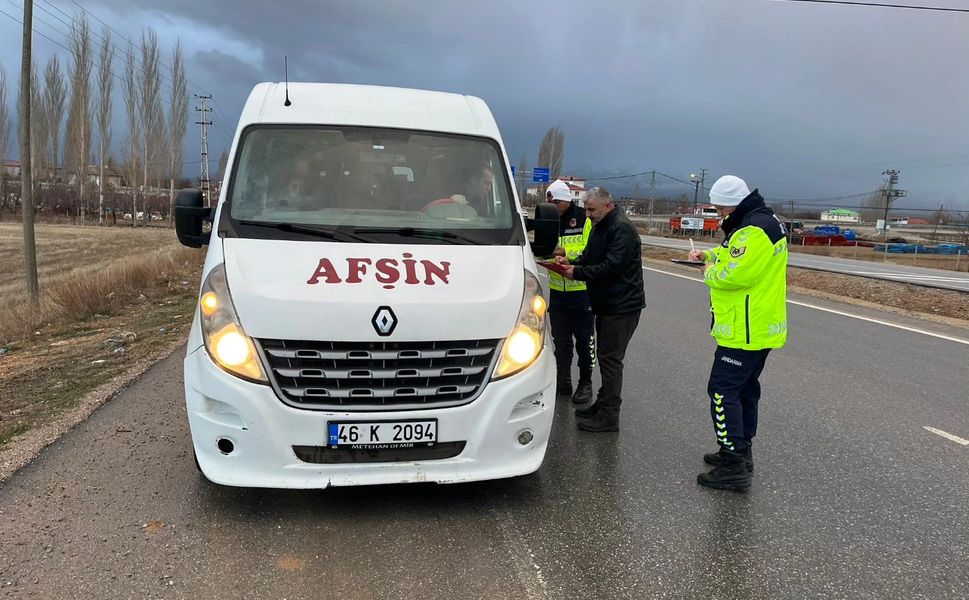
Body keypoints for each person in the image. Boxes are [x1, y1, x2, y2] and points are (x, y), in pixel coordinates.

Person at [687, 175, 788, 491]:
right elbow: (735, 256)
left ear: (731, 204)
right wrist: (710, 255)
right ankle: (740, 452)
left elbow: (735, 273)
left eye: (719, 209)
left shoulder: (754, 230)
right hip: (756, 326)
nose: (718, 215)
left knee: (721, 390)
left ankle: (733, 465)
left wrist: (708, 272)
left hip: (745, 329)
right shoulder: (759, 221)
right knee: (745, 390)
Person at [555, 187, 645, 432]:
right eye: (585, 209)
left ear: (608, 205)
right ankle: (603, 404)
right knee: (606, 358)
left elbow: (611, 267)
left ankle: (610, 415)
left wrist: (576, 273)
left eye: (592, 209)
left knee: (610, 360)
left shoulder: (622, 229)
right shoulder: (599, 226)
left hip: (622, 306)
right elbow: (589, 257)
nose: (587, 214)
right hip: (606, 304)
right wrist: (570, 262)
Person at [545, 179, 595, 404]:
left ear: (566, 199)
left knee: (585, 341)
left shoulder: (584, 217)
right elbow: (545, 247)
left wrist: (566, 251)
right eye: (551, 202)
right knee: (561, 341)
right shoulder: (549, 219)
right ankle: (563, 382)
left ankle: (586, 383)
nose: (554, 206)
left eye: (557, 202)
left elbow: (590, 248)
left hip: (581, 290)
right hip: (557, 290)